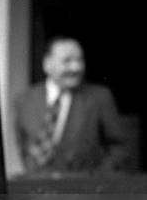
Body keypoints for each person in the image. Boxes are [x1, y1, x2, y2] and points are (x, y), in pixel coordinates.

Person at [15, 35, 128, 173]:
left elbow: (120, 147)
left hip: (84, 189)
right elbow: (24, 146)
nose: (76, 67)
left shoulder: (100, 97)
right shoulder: (25, 99)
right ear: (47, 64)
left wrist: (98, 178)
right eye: (67, 61)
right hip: (38, 187)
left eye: (80, 60)